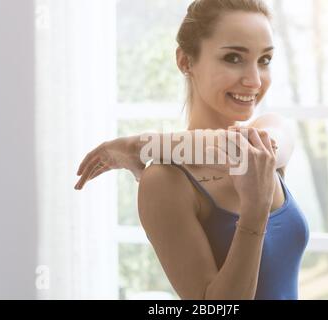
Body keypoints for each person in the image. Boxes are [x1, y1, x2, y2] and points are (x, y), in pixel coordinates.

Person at [75, 0, 309, 300]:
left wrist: (138, 145)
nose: (254, 80)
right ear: (186, 61)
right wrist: (253, 213)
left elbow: (242, 151)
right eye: (233, 58)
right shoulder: (164, 181)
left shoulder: (268, 135)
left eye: (264, 60)